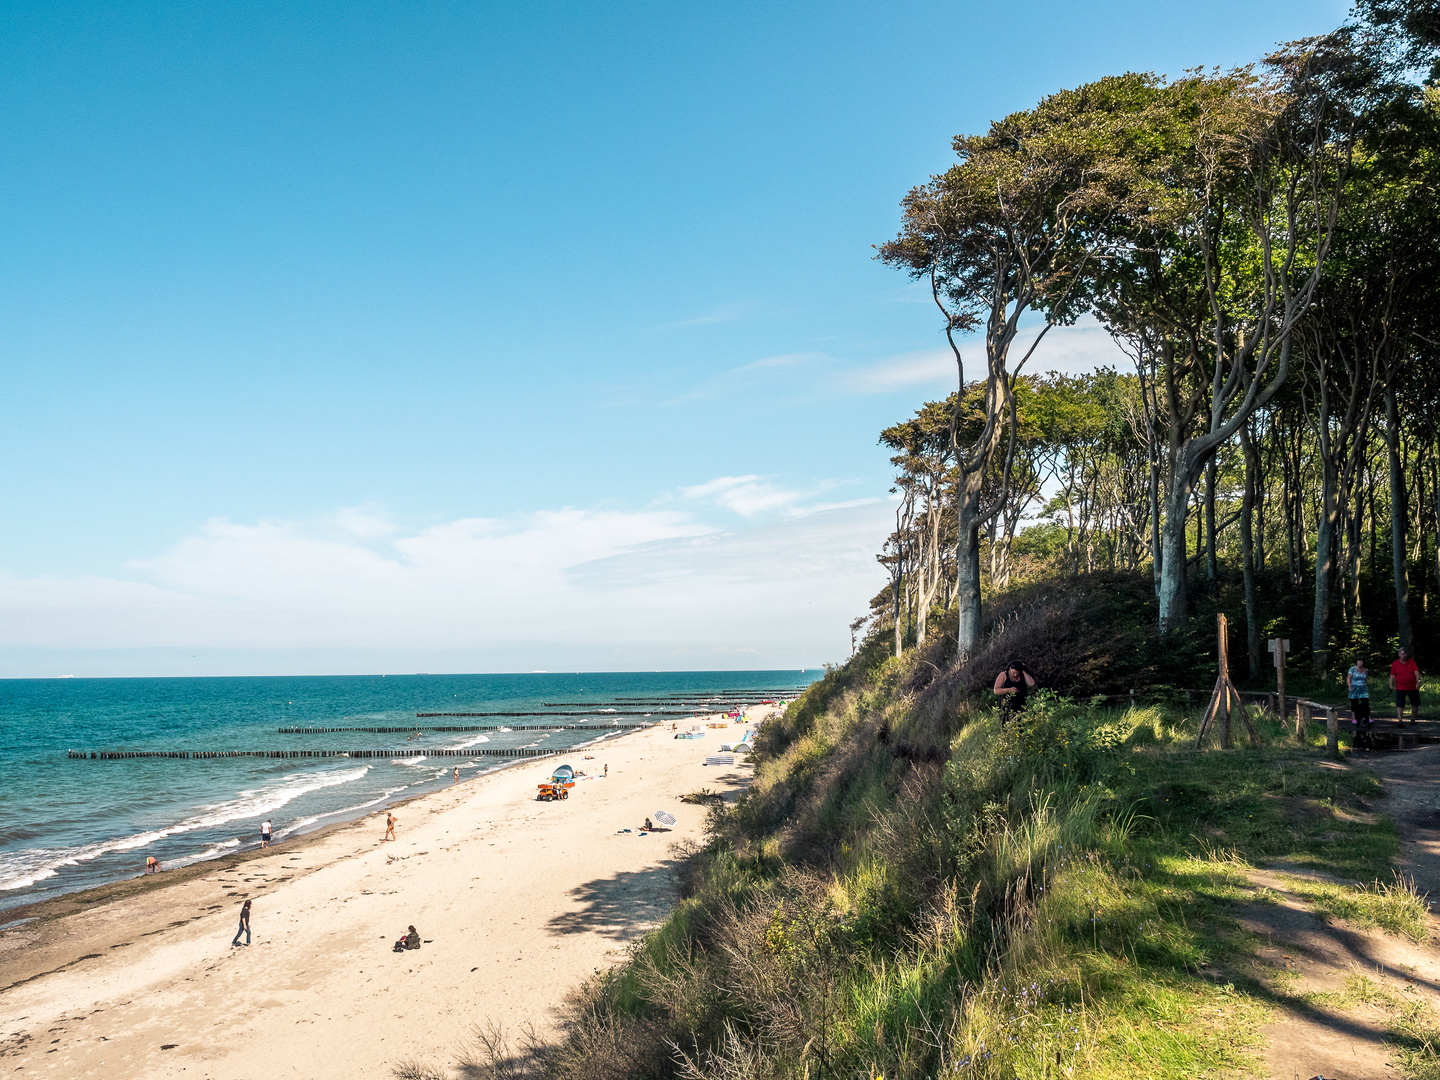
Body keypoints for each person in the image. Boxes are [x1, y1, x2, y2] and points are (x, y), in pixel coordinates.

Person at [1390, 646, 1423, 724]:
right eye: (1401, 654)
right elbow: (1392, 675)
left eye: (1404, 654)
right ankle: (1400, 720)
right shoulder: (1395, 663)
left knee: (1415, 703)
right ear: (1399, 655)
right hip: (1400, 686)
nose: (1403, 656)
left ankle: (1413, 719)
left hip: (1412, 686)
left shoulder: (1412, 662)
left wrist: (1418, 682)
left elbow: (1416, 673)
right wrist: (1391, 686)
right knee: (1400, 704)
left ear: (1407, 655)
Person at [1347, 657, 1373, 749]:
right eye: (1358, 661)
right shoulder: (1352, 669)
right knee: (1354, 704)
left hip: (1363, 689)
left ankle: (1367, 718)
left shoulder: (1366, 670)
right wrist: (1350, 687)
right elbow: (1348, 678)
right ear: (1356, 662)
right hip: (1354, 688)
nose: (1360, 663)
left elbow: (1365, 680)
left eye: (1361, 661)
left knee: (1365, 704)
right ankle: (1354, 717)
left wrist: (1366, 687)